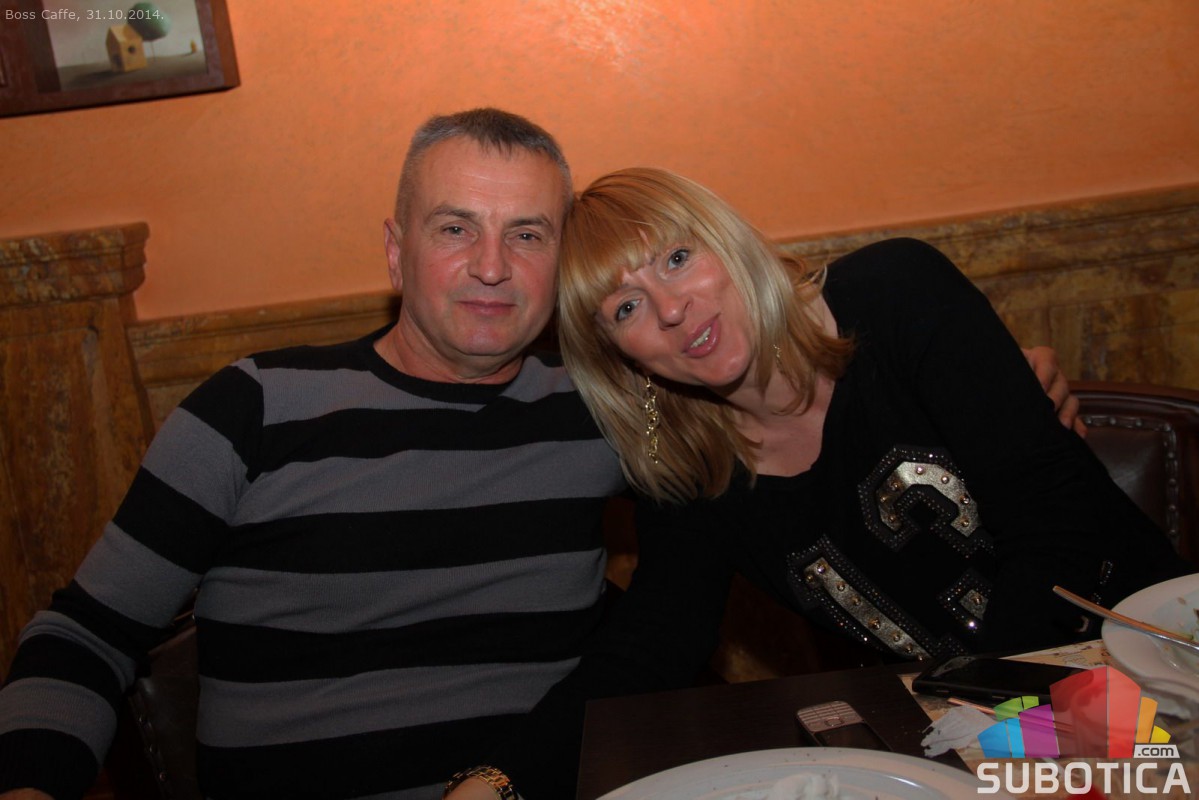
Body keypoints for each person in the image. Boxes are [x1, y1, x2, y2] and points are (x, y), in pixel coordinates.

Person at [0, 111, 1078, 800]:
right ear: (394, 250)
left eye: (526, 234)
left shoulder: (616, 411)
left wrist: (985, 393)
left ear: (560, 269)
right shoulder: (254, 404)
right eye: (453, 228)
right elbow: (85, 633)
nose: (489, 267)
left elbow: (762, 431)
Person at [553, 166, 1191, 679]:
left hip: (1155, 662)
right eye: (626, 306)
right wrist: (511, 776)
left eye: (677, 258)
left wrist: (977, 706)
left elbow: (1053, 520)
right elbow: (657, 641)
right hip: (966, 732)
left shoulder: (896, 294)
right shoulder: (686, 469)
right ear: (619, 356)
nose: (671, 308)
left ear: (728, 243)